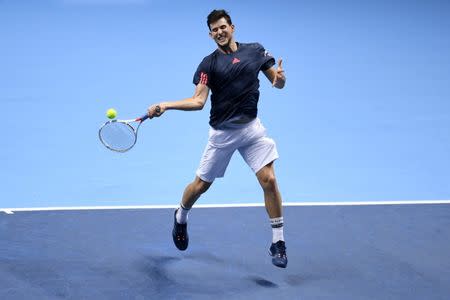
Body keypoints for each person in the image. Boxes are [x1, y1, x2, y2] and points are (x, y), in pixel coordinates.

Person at [147, 9, 287, 268]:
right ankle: (181, 215)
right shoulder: (208, 64)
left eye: (223, 27)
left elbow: (276, 83)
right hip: (222, 134)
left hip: (251, 129)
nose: (219, 32)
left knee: (269, 179)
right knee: (200, 186)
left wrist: (280, 79)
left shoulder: (255, 51)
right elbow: (198, 101)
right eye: (214, 30)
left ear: (232, 27)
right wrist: (166, 105)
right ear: (210, 35)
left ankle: (278, 242)